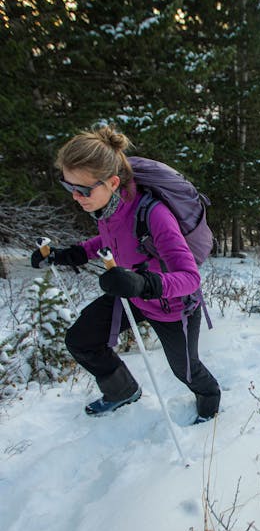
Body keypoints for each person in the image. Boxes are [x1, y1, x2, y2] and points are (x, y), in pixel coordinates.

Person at [31, 125, 220, 423]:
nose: (76, 197)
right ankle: (122, 390)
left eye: (82, 189)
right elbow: (112, 240)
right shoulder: (108, 208)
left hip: (171, 306)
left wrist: (144, 284)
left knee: (186, 370)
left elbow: (190, 277)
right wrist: (70, 254)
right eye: (69, 187)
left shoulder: (155, 214)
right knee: (81, 339)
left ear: (113, 182)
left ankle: (210, 403)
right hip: (133, 294)